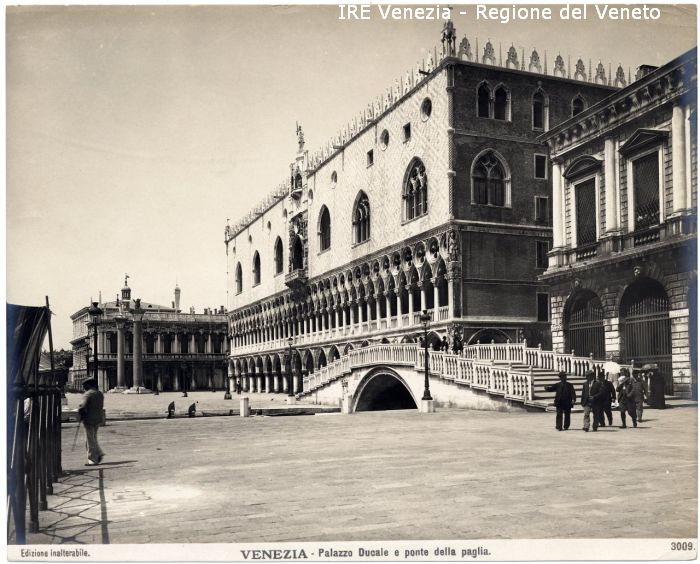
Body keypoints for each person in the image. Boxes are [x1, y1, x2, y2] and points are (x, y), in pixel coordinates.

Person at [78, 378, 104, 466]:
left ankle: (92, 459)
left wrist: (80, 412)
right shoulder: (99, 393)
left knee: (89, 439)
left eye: (85, 385)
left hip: (88, 419)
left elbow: (83, 406)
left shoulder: (88, 394)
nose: (84, 387)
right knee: (93, 437)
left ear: (88, 385)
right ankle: (99, 452)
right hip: (98, 418)